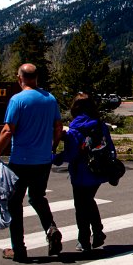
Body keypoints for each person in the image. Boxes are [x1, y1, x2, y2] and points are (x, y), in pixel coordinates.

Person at [0, 64, 64, 262]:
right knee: (38, 197)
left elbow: (8, 130)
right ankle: (51, 228)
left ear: (19, 78)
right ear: (37, 78)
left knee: (15, 203)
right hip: (43, 160)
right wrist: (52, 147)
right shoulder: (50, 99)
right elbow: (58, 127)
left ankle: (19, 249)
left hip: (21, 161)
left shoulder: (17, 100)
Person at [53, 93, 112, 252]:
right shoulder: (100, 125)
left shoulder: (74, 129)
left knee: (81, 207)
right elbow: (110, 148)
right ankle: (98, 232)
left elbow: (70, 155)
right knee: (88, 201)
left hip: (80, 173)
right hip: (98, 171)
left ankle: (84, 240)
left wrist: (55, 158)